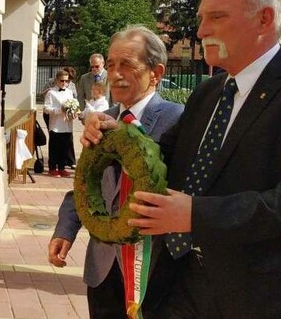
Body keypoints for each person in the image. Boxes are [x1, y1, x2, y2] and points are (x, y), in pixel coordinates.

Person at [82, 0, 281, 318]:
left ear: (265, 18)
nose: (201, 31)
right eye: (201, 19)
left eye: (216, 17)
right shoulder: (207, 93)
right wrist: (112, 132)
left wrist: (194, 215)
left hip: (268, 296)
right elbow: (161, 155)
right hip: (186, 287)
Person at [49, 25, 184, 319]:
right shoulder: (102, 120)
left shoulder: (178, 119)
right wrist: (65, 229)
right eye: (111, 65)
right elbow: (86, 184)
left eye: (127, 65)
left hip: (152, 269)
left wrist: (126, 132)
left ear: (156, 73)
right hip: (102, 267)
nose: (115, 74)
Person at [44, 69, 77, 177]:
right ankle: (52, 168)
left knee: (65, 147)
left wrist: (74, 112)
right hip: (56, 125)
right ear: (57, 80)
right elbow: (46, 108)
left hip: (67, 124)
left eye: (67, 81)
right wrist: (59, 110)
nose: (64, 83)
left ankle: (62, 167)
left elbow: (73, 105)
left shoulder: (69, 92)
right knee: (55, 148)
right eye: (62, 81)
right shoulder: (51, 92)